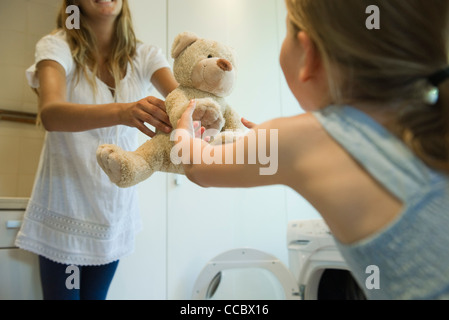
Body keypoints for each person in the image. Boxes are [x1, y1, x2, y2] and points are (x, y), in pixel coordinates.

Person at [175, 0, 449, 300]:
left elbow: (196, 166)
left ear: (308, 55)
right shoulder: (432, 122)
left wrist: (183, 128)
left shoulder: (301, 138)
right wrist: (270, 146)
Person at [15, 0, 178, 300]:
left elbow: (183, 102)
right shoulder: (58, 46)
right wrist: (121, 111)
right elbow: (51, 114)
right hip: (66, 213)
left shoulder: (145, 55)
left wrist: (212, 116)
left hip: (112, 216)